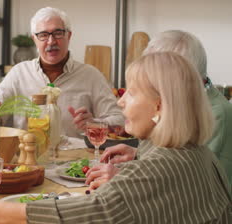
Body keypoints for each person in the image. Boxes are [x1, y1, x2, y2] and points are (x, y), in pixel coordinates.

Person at [0, 52, 232, 224]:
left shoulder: (162, 166)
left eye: (131, 93)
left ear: (159, 106)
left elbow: (96, 212)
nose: (121, 102)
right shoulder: (195, 152)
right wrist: (135, 159)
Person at [98, 30, 232, 190]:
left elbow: (187, 180)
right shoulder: (183, 101)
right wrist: (137, 154)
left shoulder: (215, 112)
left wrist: (125, 181)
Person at [0, 7, 123, 137]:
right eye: (43, 35)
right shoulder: (18, 73)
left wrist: (95, 123)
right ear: (34, 39)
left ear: (69, 35)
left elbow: (119, 120)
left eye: (58, 33)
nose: (51, 41)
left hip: (76, 157)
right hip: (26, 155)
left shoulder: (91, 76)